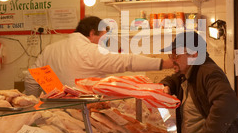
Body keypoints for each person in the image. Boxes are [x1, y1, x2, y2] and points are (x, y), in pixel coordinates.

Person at [24, 16, 173, 96]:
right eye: (103, 37)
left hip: (52, 114)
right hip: (83, 114)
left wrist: (36, 102)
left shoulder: (50, 49)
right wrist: (164, 64)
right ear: (91, 33)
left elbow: (31, 77)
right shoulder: (90, 51)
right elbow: (128, 61)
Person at [160, 30, 238, 133]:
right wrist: (167, 85)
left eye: (176, 55)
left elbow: (227, 103)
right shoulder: (188, 72)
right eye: (171, 56)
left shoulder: (209, 72)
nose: (172, 60)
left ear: (194, 54)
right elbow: (174, 78)